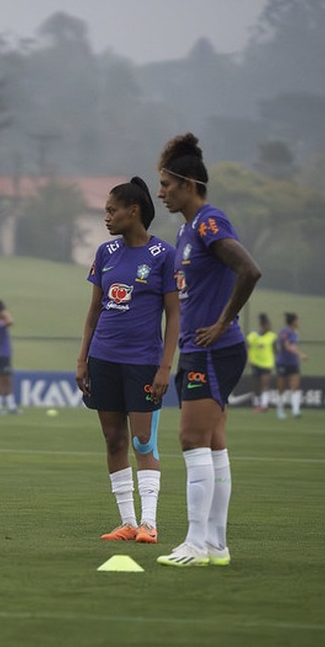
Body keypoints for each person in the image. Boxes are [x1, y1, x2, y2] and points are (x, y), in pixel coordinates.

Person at [153, 133, 262, 568]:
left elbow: (249, 270)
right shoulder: (185, 230)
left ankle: (196, 544)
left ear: (189, 184)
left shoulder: (208, 223)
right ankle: (216, 545)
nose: (160, 192)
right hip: (200, 350)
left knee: (191, 438)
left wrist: (221, 322)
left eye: (166, 184)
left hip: (213, 349)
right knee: (213, 444)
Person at [76, 177, 178, 545]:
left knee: (143, 441)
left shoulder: (164, 255)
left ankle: (150, 524)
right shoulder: (105, 253)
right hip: (103, 359)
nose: (106, 217)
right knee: (113, 439)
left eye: (111, 210)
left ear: (132, 211)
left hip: (143, 363)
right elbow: (93, 313)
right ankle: (127, 523)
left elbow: (174, 316)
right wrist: (82, 359)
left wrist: (165, 366)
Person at [275, 312, 308, 419]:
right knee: (281, 387)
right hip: (283, 363)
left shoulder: (295, 333)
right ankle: (280, 410)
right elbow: (287, 347)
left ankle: (296, 411)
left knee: (295, 386)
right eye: (297, 320)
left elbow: (293, 346)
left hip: (293, 363)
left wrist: (297, 354)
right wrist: (300, 354)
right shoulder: (285, 332)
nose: (298, 322)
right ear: (293, 321)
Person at [0, 300, 21, 414]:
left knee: (8, 381)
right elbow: (10, 321)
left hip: (5, 356)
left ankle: (11, 406)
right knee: (1, 381)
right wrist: (5, 313)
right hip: (1, 356)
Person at [246, 313, 276, 412]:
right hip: (255, 363)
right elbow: (248, 347)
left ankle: (264, 404)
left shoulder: (272, 336)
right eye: (268, 325)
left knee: (265, 383)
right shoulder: (253, 336)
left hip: (267, 364)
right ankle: (256, 403)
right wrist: (249, 359)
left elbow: (275, 349)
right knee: (257, 385)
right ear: (263, 326)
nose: (269, 327)